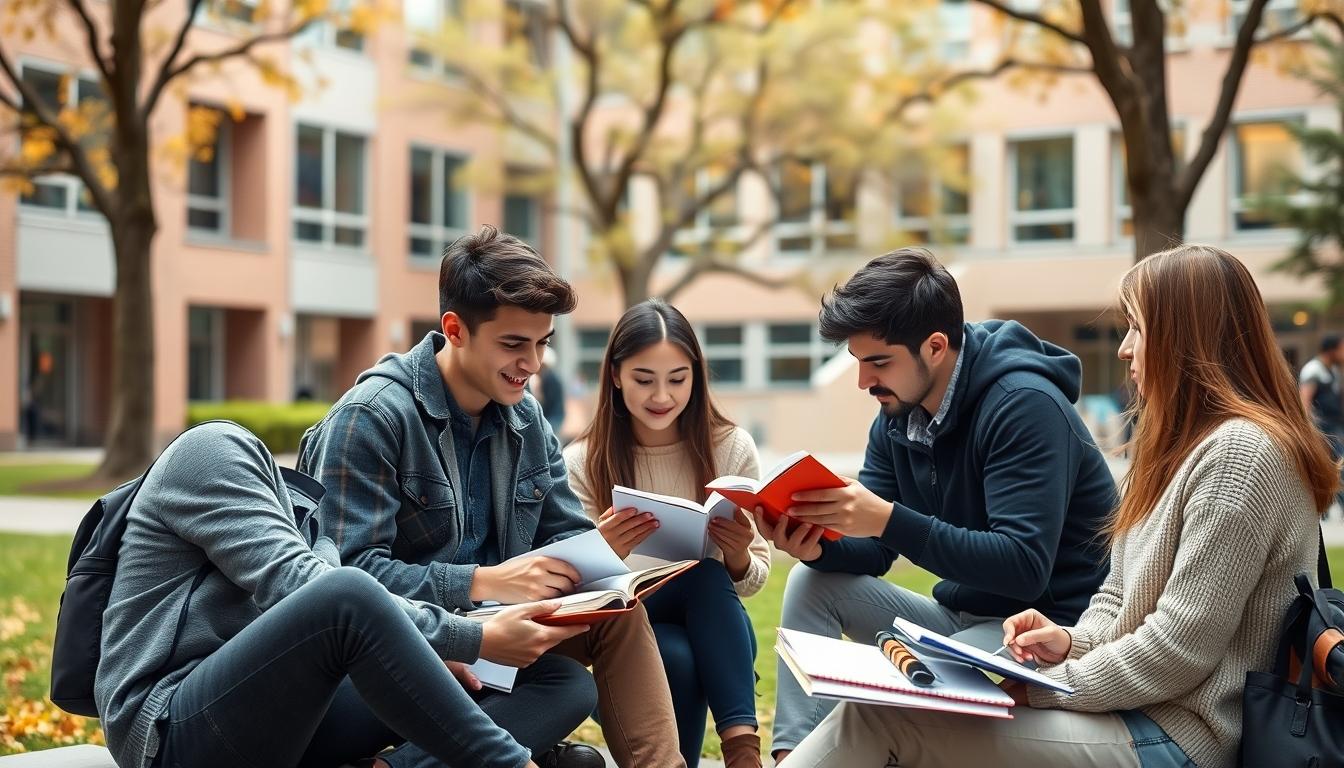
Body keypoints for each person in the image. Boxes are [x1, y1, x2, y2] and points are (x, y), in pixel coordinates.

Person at [785, 243, 1336, 768]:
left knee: (883, 718)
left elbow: (1177, 651)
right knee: (885, 704)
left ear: (1185, 340)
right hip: (1122, 704)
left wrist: (1047, 690)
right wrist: (1069, 642)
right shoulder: (1175, 449)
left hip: (1179, 734)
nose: (1123, 349)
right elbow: (1118, 597)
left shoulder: (1241, 457)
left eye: (1137, 329)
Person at [297, 225, 685, 768]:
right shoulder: (372, 418)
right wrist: (482, 581)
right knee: (567, 705)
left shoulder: (526, 419)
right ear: (455, 329)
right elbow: (338, 584)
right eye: (513, 344)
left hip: (494, 637)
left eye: (542, 343)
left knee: (608, 630)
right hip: (391, 653)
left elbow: (561, 533)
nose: (533, 363)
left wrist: (604, 554)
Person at [763, 248, 1117, 763]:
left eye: (878, 362)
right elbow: (875, 552)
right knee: (811, 584)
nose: (865, 382)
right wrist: (817, 542)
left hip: (1045, 630)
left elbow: (1022, 568)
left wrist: (886, 519)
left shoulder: (1024, 405)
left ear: (934, 346)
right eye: (858, 362)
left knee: (892, 690)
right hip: (959, 617)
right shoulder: (896, 416)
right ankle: (790, 755)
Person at [94, 421, 597, 768]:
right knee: (347, 593)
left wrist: (416, 654)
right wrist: (468, 636)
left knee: (560, 680)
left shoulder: (310, 520)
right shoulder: (211, 452)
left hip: (284, 720)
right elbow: (302, 588)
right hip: (172, 730)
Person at [563, 299, 771, 768]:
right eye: (644, 379)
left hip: (710, 624)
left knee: (696, 606)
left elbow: (752, 577)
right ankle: (743, 754)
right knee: (691, 609)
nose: (662, 396)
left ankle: (740, 753)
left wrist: (737, 555)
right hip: (622, 628)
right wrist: (602, 547)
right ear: (615, 375)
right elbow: (572, 587)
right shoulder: (582, 461)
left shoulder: (729, 448)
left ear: (696, 376)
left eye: (677, 379)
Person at [1299, 333, 1344, 513]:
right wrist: (1310, 432)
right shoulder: (1313, 370)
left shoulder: (1332, 371)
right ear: (1332, 350)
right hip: (1322, 430)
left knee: (1336, 468)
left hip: (1336, 427)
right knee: (1332, 468)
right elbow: (1305, 403)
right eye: (1341, 349)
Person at [531, 346, 568, 437]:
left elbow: (549, 403)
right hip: (552, 417)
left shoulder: (549, 378)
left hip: (551, 418)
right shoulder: (545, 377)